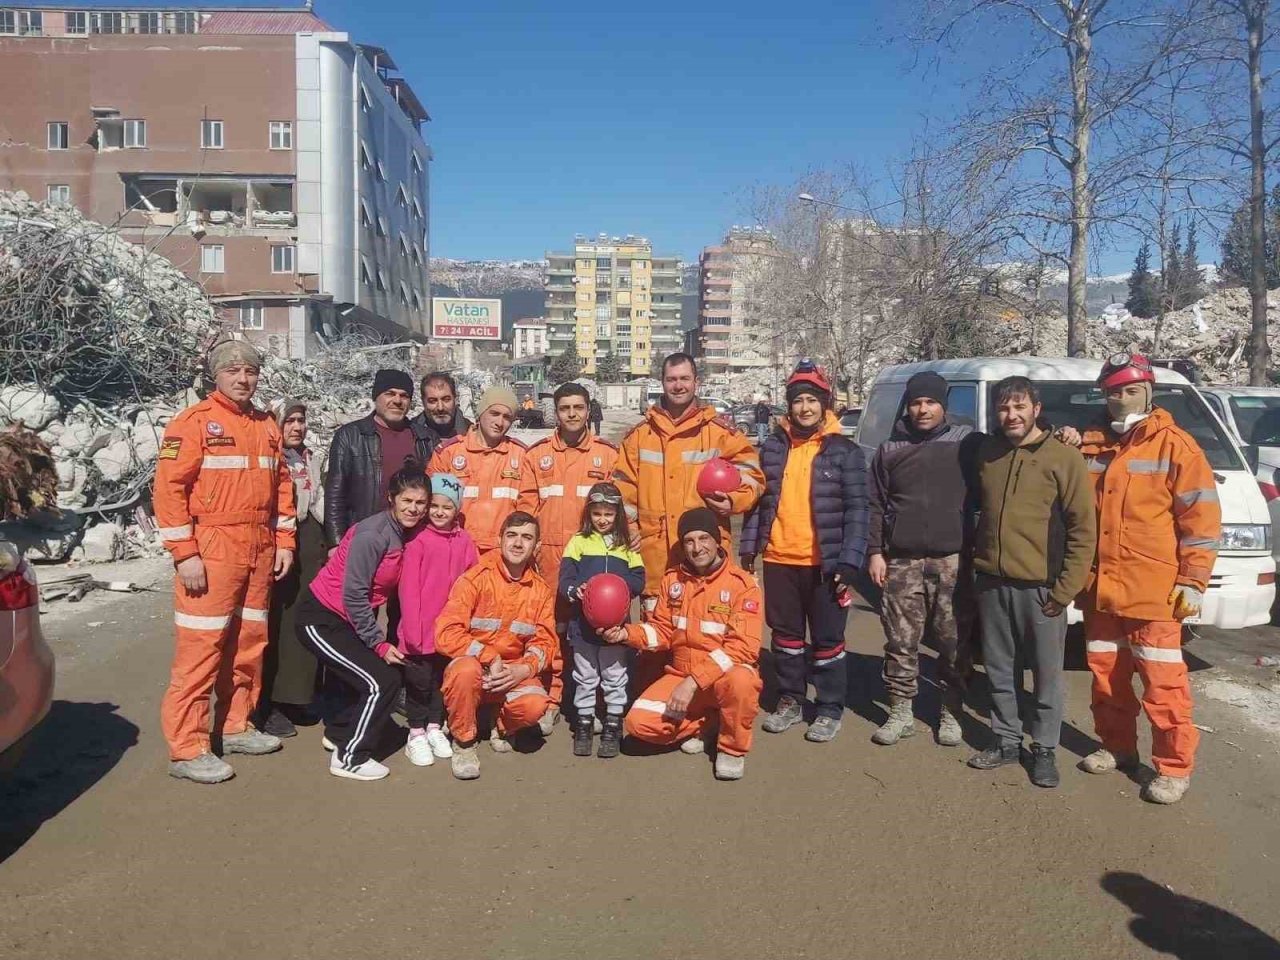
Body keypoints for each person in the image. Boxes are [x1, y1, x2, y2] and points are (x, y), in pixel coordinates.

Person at [1071, 353, 1220, 805]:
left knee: (1163, 685)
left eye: (1130, 390)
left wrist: (1192, 581)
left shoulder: (1177, 446)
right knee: (1106, 677)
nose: (1121, 399)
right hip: (1102, 590)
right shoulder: (1090, 445)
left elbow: (1202, 520)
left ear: (1149, 391)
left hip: (1155, 591)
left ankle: (1173, 768)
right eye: (1114, 391)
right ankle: (1117, 748)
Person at [154, 340, 296, 784]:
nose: (242, 378)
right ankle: (187, 747)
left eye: (250, 371)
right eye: (233, 370)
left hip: (258, 547)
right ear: (216, 375)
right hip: (212, 547)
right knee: (201, 650)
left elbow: (283, 486)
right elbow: (168, 490)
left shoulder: (265, 424)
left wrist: (285, 539)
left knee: (249, 644)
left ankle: (235, 724)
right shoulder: (193, 423)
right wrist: (185, 554)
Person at [968, 376, 1096, 789]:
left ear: (1036, 409)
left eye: (1019, 406)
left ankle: (1043, 748)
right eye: (1005, 408)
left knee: (1046, 675)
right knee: (1000, 671)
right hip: (991, 582)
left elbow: (1082, 529)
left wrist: (1065, 589)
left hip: (1042, 588)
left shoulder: (1064, 458)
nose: (1012, 415)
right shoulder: (988, 452)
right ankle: (1005, 740)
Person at [739, 360, 868, 743]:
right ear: (789, 406)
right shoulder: (774, 448)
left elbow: (860, 509)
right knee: (786, 638)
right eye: (798, 401)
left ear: (824, 404)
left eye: (812, 400)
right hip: (779, 559)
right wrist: (749, 547)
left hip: (825, 564)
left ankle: (828, 707)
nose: (805, 408)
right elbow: (758, 502)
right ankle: (791, 700)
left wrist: (850, 560)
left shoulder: (845, 451)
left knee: (828, 640)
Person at [864, 371, 980, 749]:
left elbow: (1010, 451)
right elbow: (876, 504)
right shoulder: (889, 449)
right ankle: (900, 711)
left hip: (952, 559)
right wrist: (875, 552)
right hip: (902, 560)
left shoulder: (967, 443)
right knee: (901, 641)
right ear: (908, 406)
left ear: (943, 405)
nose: (923, 409)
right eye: (916, 403)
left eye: (930, 402)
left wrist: (1061, 433)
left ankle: (951, 710)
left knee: (953, 641)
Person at [604, 508, 763, 781]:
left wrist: (692, 683)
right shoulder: (672, 580)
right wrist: (625, 634)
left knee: (742, 681)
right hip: (681, 676)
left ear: (718, 541)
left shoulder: (743, 585)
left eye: (704, 538)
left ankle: (731, 748)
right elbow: (661, 632)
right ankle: (708, 722)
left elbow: (743, 649)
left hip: (720, 677)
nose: (697, 547)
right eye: (689, 541)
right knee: (638, 724)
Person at [295, 466, 428, 781]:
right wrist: (378, 643)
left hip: (346, 621)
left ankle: (341, 733)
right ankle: (351, 756)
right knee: (379, 681)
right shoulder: (374, 534)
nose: (414, 509)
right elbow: (354, 594)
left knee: (379, 675)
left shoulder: (402, 532)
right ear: (391, 499)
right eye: (407, 500)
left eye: (421, 503)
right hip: (321, 618)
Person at [613, 352, 764, 618]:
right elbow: (622, 487)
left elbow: (752, 473)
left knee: (706, 638)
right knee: (655, 646)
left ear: (697, 381)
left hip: (706, 558)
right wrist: (630, 526)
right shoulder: (640, 436)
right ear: (662, 382)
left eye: (684, 378)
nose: (678, 385)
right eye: (671, 379)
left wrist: (733, 500)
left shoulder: (719, 433)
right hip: (655, 560)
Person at [518, 381, 619, 733]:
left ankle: (595, 703)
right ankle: (552, 699)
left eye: (578, 407)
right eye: (565, 408)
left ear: (588, 410)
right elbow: (526, 508)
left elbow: (619, 511)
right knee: (552, 631)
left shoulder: (607, 455)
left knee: (595, 630)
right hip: (548, 562)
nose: (572, 414)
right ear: (556, 412)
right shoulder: (537, 455)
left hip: (592, 562)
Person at [435, 512, 558, 780]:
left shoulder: (540, 590)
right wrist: (488, 656)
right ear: (500, 539)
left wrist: (523, 671)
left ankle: (500, 725)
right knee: (464, 672)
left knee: (536, 705)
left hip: (511, 671)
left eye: (527, 538)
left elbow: (545, 642)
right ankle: (464, 743)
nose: (518, 543)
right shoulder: (476, 578)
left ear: (536, 547)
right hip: (476, 665)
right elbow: (445, 633)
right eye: (512, 535)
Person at [396, 473, 478, 767]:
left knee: (440, 681)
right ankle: (415, 732)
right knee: (419, 683)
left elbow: (473, 581)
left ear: (457, 510)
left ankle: (434, 726)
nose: (440, 512)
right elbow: (408, 590)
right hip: (419, 629)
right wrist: (413, 630)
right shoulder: (418, 540)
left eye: (447, 507)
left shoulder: (465, 542)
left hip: (450, 630)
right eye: (435, 506)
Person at [558, 483, 645, 758]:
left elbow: (639, 580)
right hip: (582, 626)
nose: (603, 519)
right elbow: (565, 580)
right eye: (597, 513)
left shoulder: (626, 544)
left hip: (616, 626)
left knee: (614, 675)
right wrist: (577, 591)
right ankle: (584, 722)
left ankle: (613, 721)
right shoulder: (578, 541)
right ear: (589, 513)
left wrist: (619, 588)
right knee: (585, 675)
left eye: (609, 513)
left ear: (618, 514)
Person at [257, 399, 324, 739]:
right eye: (290, 421)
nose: (297, 427)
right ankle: (267, 705)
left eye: (301, 420)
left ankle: (296, 697)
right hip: (280, 548)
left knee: (301, 625)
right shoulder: (267, 458)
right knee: (275, 628)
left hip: (309, 550)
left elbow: (317, 501)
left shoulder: (307, 459)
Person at [324, 368, 438, 550]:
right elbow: (336, 494)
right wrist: (336, 543)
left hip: (412, 540)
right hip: (364, 537)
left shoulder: (426, 438)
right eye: (390, 394)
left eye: (404, 395)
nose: (397, 401)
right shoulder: (351, 436)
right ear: (376, 397)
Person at [428, 386, 534, 556]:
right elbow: (431, 505)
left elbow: (528, 506)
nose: (500, 422)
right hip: (457, 549)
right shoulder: (449, 453)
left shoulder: (522, 456)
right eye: (494, 413)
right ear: (481, 412)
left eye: (507, 417)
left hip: (502, 552)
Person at [413, 371, 471, 441]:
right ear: (423, 402)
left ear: (455, 398)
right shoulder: (410, 433)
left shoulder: (472, 433)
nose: (440, 408)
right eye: (432, 401)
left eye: (446, 400)